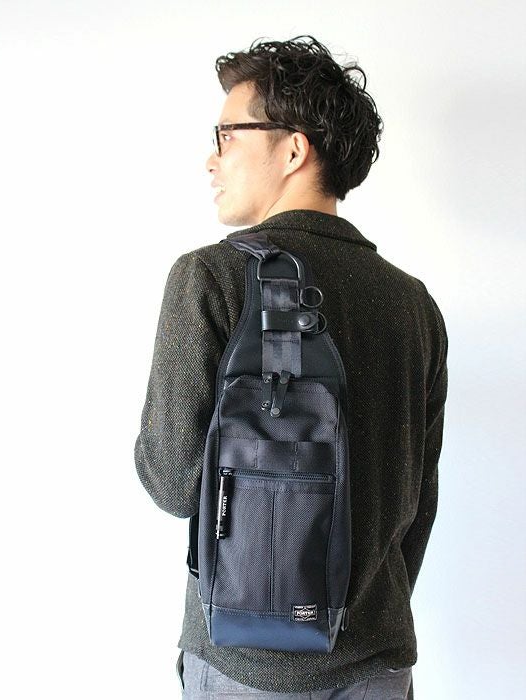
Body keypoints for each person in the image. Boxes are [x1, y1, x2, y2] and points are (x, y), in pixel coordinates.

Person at [134, 35, 448, 699]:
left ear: (294, 150)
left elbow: (172, 481)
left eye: (227, 135)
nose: (212, 159)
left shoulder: (213, 277)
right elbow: (418, 501)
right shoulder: (413, 303)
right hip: (379, 663)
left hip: (248, 664)